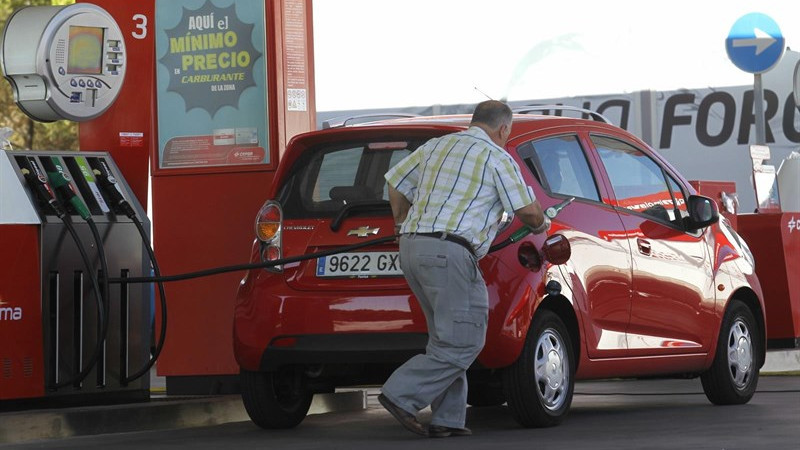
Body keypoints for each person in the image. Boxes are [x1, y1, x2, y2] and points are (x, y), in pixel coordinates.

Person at [380, 100, 550, 438]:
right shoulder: (498, 158)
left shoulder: (437, 146)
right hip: (449, 252)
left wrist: (400, 223)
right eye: (508, 132)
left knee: (445, 338)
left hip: (412, 247)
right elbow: (529, 215)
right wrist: (542, 221)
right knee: (465, 339)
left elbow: (395, 182)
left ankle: (448, 419)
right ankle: (401, 394)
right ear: (503, 129)